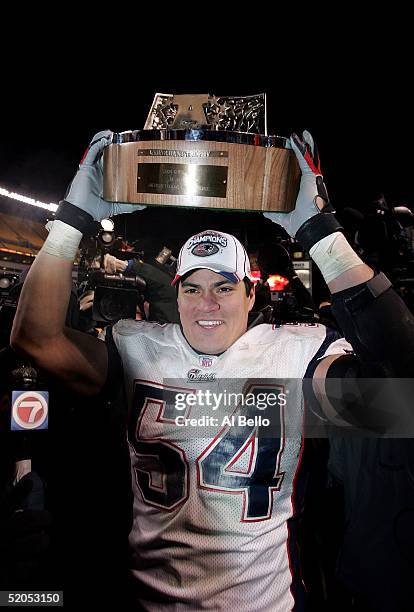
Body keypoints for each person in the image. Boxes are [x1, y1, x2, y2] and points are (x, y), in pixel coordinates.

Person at [10, 129, 414, 610]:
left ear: (250, 294)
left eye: (224, 288)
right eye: (192, 288)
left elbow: (400, 381)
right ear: (175, 295)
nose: (207, 304)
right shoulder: (139, 348)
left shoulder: (292, 354)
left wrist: (319, 232)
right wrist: (71, 222)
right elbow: (34, 338)